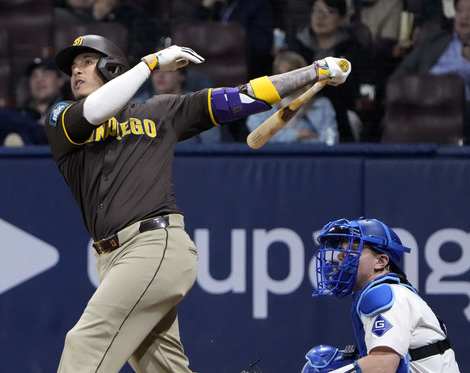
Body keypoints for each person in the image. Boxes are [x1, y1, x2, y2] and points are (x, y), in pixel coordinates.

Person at [44, 34, 350, 372]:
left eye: (86, 62)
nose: (76, 72)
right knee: (159, 364)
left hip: (153, 245)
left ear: (111, 67)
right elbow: (96, 111)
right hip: (111, 260)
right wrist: (150, 63)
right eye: (73, 67)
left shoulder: (160, 109)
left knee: (85, 343)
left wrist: (313, 71)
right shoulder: (60, 117)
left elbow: (243, 97)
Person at [310, 217, 460, 372]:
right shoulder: (387, 291)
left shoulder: (384, 294)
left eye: (354, 249)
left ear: (381, 261)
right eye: (342, 250)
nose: (341, 256)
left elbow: (383, 365)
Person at [287, 0, 379, 142]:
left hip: (342, 114)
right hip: (300, 111)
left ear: (342, 19)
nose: (320, 17)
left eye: (328, 12)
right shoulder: (298, 49)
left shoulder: (354, 51)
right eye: (316, 10)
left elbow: (366, 89)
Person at [394, 0, 470, 139]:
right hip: (425, 100)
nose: (464, 16)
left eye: (469, 11)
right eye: (460, 11)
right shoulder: (433, 41)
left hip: (462, 107)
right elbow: (404, 70)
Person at [246, 51, 339, 144]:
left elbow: (330, 140)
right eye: (279, 73)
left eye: (290, 72)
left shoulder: (321, 104)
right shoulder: (262, 105)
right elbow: (257, 137)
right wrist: (298, 135)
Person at [0, 58, 67, 145]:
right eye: (34, 76)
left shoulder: (71, 110)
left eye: (46, 74)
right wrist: (39, 128)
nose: (39, 80)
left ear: (60, 81)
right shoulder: (20, 115)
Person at [193, 0, 275, 79]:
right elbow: (193, 32)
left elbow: (261, 43)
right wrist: (204, 7)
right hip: (215, 61)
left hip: (245, 65)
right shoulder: (219, 6)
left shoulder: (256, 4)